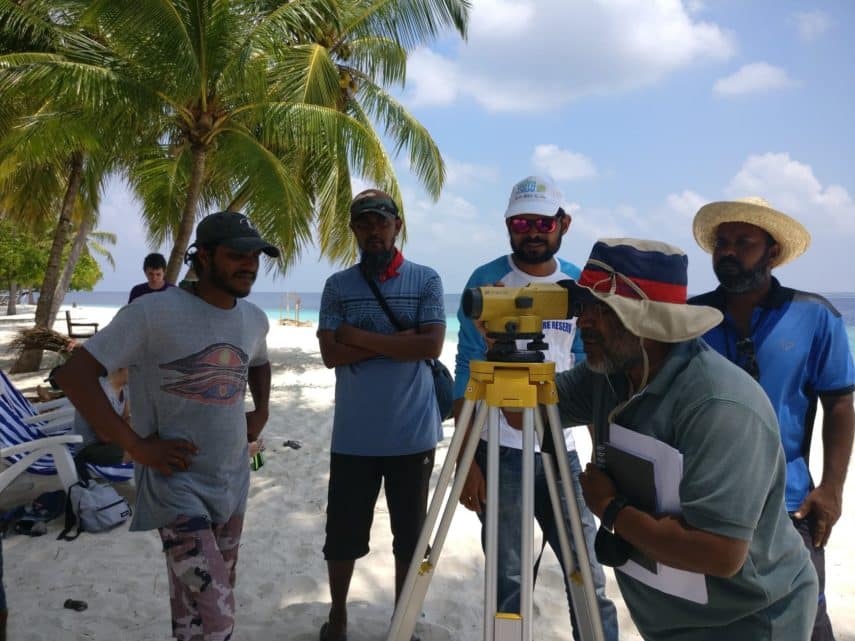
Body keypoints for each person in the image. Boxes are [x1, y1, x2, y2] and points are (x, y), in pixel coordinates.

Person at [554, 237, 817, 640]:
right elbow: (530, 411)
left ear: (649, 324)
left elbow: (720, 552)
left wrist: (609, 508)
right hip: (669, 618)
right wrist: (502, 350)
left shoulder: (719, 405)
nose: (583, 321)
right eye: (582, 306)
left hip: (747, 622)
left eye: (602, 309)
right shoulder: (609, 374)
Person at [55, 211, 277, 641]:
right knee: (219, 614)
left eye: (255, 256)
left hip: (232, 482)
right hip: (175, 486)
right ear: (204, 256)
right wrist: (135, 447)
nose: (249, 264)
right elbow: (75, 376)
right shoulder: (152, 313)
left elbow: (260, 362)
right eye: (236, 254)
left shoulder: (253, 318)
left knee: (194, 609)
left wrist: (261, 410)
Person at [453, 175, 618, 640]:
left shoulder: (577, 288)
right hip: (495, 451)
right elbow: (467, 370)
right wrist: (467, 462)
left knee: (585, 569)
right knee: (507, 578)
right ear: (508, 225)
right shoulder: (485, 282)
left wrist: (598, 457)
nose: (532, 231)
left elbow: (592, 376)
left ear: (562, 223)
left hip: (558, 451)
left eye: (542, 221)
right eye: (522, 221)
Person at [688, 197, 855, 641]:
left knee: (805, 625)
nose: (728, 250)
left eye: (743, 241)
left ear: (772, 251)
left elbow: (840, 404)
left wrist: (832, 488)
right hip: (704, 505)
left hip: (790, 507)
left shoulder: (815, 315)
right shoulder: (690, 319)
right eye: (721, 242)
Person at [317, 189, 445, 641]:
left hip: (412, 435)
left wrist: (358, 337)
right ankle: (338, 615)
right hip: (352, 435)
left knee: (409, 538)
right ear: (353, 229)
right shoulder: (338, 286)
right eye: (364, 223)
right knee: (342, 536)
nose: (374, 230)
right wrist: (399, 343)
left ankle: (401, 619)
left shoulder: (426, 280)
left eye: (382, 222)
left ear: (397, 226)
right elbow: (330, 355)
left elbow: (430, 346)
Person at [72, 367, 131, 475]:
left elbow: (126, 418)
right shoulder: (97, 389)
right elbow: (105, 436)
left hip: (113, 441)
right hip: (90, 449)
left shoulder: (125, 388)